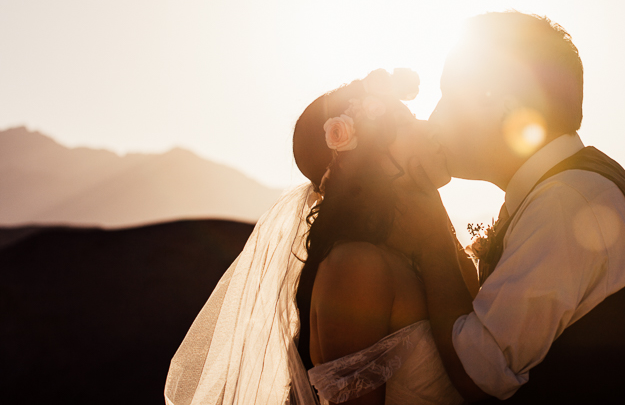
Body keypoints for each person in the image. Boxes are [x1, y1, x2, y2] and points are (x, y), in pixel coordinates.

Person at [392, 12, 625, 404]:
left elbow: (480, 371)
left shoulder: (568, 201)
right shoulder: (564, 189)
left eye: (449, 96)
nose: (433, 117)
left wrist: (429, 233)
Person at [164, 68, 478, 405]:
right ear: (361, 157)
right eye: (404, 123)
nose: (427, 127)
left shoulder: (422, 251)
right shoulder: (357, 269)